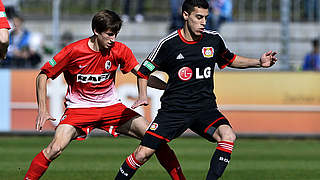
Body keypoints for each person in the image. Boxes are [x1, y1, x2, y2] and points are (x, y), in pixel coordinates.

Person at [115, 0, 278, 179]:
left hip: (205, 109)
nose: (203, 23)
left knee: (228, 135)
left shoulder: (213, 39)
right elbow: (143, 72)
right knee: (142, 154)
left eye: (206, 18)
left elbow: (230, 60)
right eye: (198, 17)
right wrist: (143, 96)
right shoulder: (169, 44)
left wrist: (259, 63)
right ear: (185, 15)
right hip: (174, 111)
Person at [24, 9, 185, 180]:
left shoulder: (119, 50)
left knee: (155, 139)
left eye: (115, 34)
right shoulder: (74, 51)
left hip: (111, 108)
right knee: (55, 148)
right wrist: (42, 109)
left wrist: (168, 87)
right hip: (79, 109)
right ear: (96, 31)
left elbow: (141, 73)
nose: (113, 39)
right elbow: (43, 75)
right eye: (109, 34)